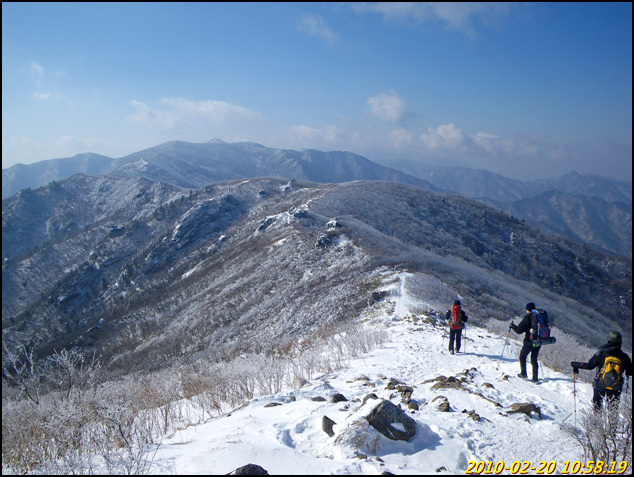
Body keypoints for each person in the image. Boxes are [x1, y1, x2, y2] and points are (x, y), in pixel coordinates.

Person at [571, 331, 632, 411]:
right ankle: (612, 419)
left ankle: (596, 419)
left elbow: (590, 366)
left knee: (597, 409)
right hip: (616, 388)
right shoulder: (624, 357)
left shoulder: (601, 353)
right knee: (613, 412)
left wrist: (576, 364)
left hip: (600, 385)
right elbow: (630, 372)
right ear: (620, 342)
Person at [510, 302, 541, 383]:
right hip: (538, 341)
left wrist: (512, 326)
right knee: (534, 359)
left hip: (529, 341)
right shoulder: (539, 317)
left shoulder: (528, 318)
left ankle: (523, 374)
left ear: (527, 309)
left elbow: (518, 330)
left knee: (522, 357)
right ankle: (535, 379)